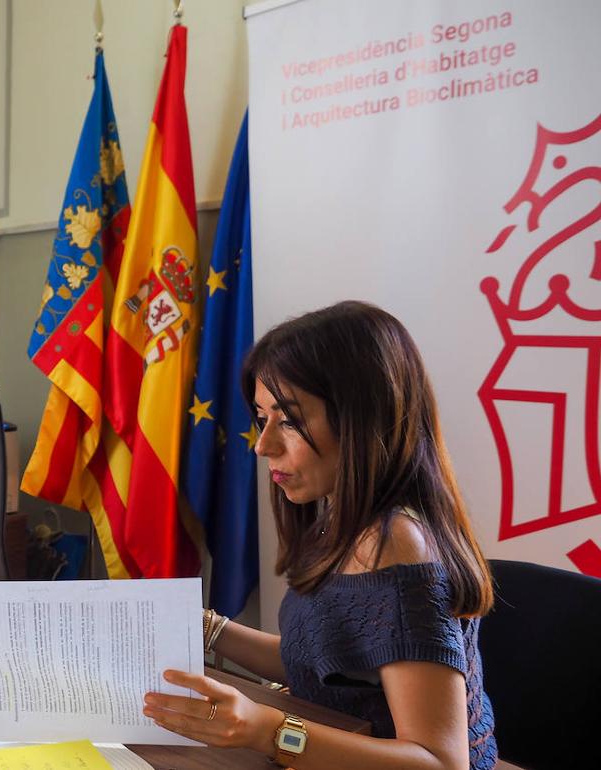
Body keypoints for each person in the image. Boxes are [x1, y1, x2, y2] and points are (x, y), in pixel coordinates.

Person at [143, 301, 497, 770]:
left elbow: (439, 761)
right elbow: (325, 663)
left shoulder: (394, 544)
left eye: (289, 420)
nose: (264, 445)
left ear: (362, 420)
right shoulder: (342, 518)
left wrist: (266, 730)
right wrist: (208, 627)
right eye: (262, 417)